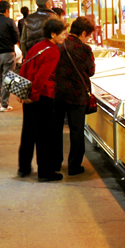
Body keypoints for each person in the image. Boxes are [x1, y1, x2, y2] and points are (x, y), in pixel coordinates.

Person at [17, 17, 68, 182]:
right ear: (53, 34)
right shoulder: (53, 51)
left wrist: (23, 93)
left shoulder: (37, 46)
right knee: (45, 136)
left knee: (28, 133)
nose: (65, 36)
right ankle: (45, 172)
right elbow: (41, 77)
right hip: (42, 96)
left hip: (30, 95)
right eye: (62, 33)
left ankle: (23, 167)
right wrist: (33, 96)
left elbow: (24, 66)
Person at [52, 16, 95, 176]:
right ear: (84, 33)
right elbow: (91, 71)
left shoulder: (58, 45)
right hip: (77, 96)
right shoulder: (85, 49)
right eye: (89, 35)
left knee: (56, 130)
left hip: (57, 93)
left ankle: (55, 163)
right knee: (76, 131)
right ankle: (74, 166)